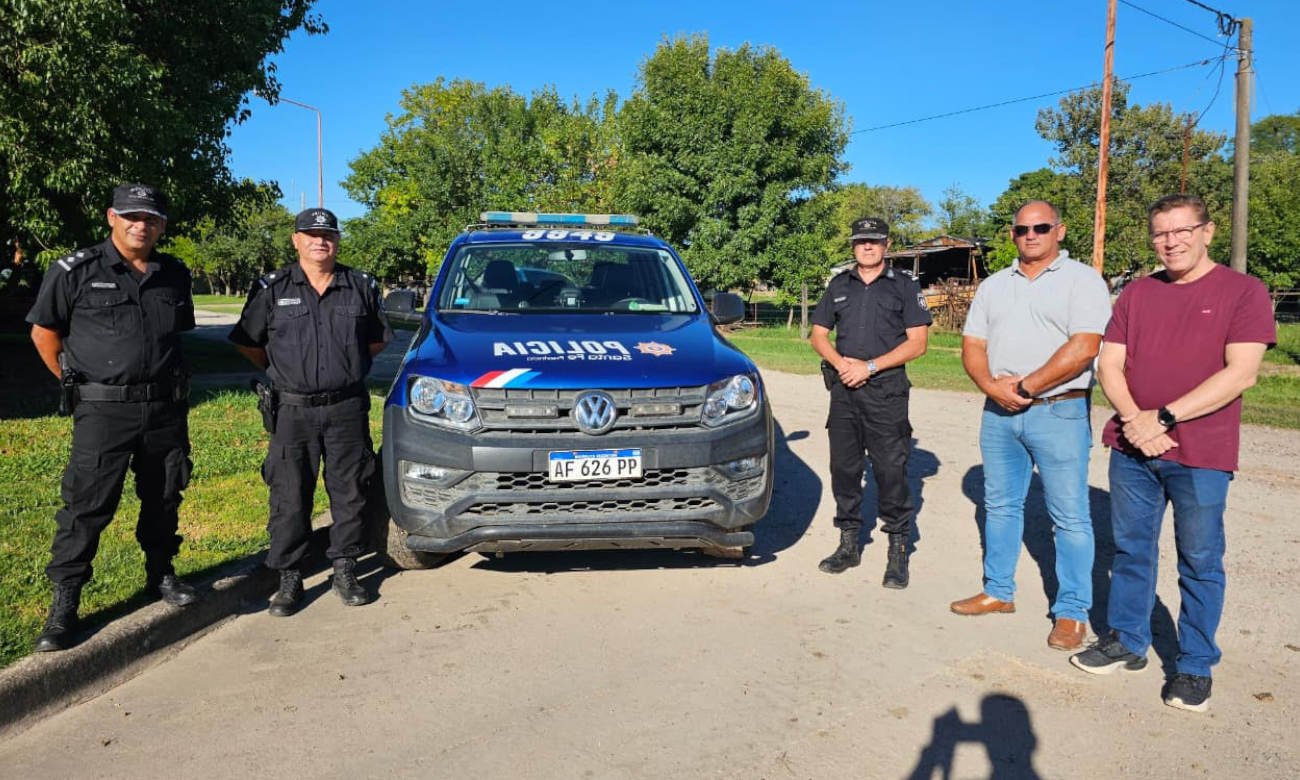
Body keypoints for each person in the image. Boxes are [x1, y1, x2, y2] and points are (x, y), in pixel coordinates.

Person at [1070, 194, 1275, 713]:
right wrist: (1137, 421)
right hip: (1133, 449)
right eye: (1161, 233)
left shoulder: (1244, 292)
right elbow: (1109, 366)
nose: (1171, 241)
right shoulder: (1138, 294)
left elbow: (1241, 372)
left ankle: (1194, 664)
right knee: (1131, 550)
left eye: (1182, 230)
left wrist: (1162, 418)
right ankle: (1127, 639)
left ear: (1207, 231)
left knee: (1200, 559)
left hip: (1201, 452)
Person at [26, 183, 199, 652]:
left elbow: (175, 338)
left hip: (164, 408)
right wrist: (74, 381)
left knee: (164, 497)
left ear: (161, 225)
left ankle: (161, 574)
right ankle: (65, 605)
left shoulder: (173, 274)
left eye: (150, 218)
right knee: (86, 507)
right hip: (103, 410)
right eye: (131, 217)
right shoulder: (75, 270)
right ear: (111, 218)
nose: (140, 225)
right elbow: (45, 334)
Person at [950, 200, 1111, 653]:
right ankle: (999, 591)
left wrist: (1024, 385)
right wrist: (989, 386)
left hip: (1058, 409)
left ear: (1059, 230)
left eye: (1041, 227)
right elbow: (973, 344)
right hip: (999, 411)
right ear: (1011, 234)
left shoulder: (1083, 280)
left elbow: (1083, 348)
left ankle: (1072, 612)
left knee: (1070, 516)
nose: (1031, 235)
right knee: (1000, 505)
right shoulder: (995, 286)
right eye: (1022, 229)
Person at [229, 207, 391, 616]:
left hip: (346, 409)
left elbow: (375, 342)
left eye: (328, 234)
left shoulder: (360, 286)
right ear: (296, 239)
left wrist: (342, 369)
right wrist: (284, 373)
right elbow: (249, 342)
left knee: (351, 490)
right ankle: (289, 576)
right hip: (292, 411)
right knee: (289, 494)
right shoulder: (272, 287)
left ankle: (345, 567)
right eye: (311, 234)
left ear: (337, 240)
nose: (321, 241)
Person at [809, 216, 931, 587]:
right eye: (861, 241)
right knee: (844, 469)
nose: (867, 246)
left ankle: (898, 552)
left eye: (874, 241)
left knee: (890, 471)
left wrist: (870, 367)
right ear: (853, 246)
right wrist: (841, 364)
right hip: (844, 391)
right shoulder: (838, 284)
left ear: (887, 245)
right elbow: (818, 335)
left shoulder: (904, 286)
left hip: (886, 392)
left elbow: (918, 343)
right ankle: (849, 543)